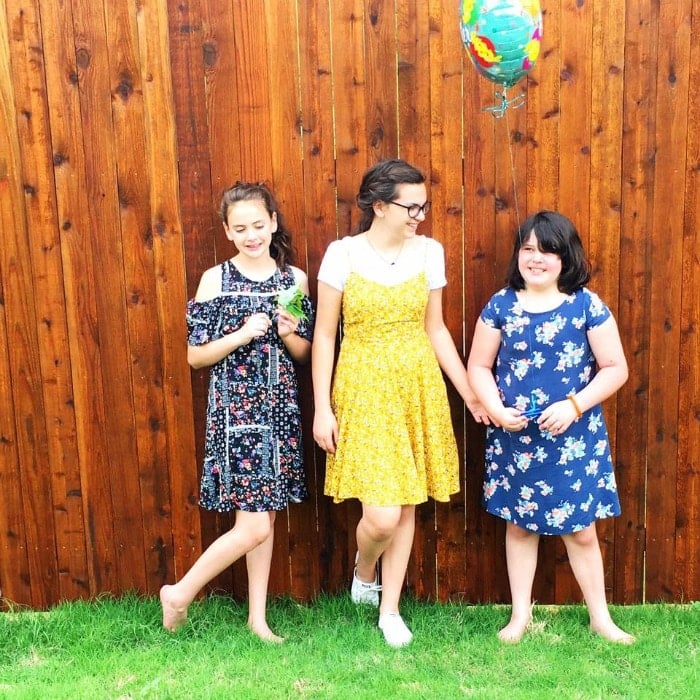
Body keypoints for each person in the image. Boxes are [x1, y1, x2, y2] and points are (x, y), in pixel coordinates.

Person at [312, 158, 488, 648]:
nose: (420, 216)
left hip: (416, 386)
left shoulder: (429, 252)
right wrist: (322, 407)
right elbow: (324, 335)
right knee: (382, 516)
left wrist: (468, 391)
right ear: (379, 205)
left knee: (406, 503)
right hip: (363, 388)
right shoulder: (342, 255)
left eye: (423, 206)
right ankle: (364, 568)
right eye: (411, 207)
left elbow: (436, 329)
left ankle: (389, 609)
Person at [467, 210, 635, 645]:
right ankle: (519, 617)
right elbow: (479, 366)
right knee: (519, 526)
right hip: (515, 437)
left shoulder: (586, 305)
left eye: (547, 250)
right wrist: (496, 410)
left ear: (566, 257)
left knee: (581, 530)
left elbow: (615, 368)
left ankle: (601, 619)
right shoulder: (500, 305)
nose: (536, 258)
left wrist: (574, 405)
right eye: (528, 249)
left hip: (573, 438)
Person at [160, 181, 314, 642]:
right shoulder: (216, 280)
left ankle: (257, 619)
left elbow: (303, 353)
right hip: (237, 413)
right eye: (241, 228)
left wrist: (288, 332)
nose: (252, 236)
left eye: (259, 225)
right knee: (253, 524)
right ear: (227, 231)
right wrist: (242, 334)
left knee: (264, 521)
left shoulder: (293, 280)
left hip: (279, 409)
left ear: (273, 223)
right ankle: (179, 593)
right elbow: (196, 356)